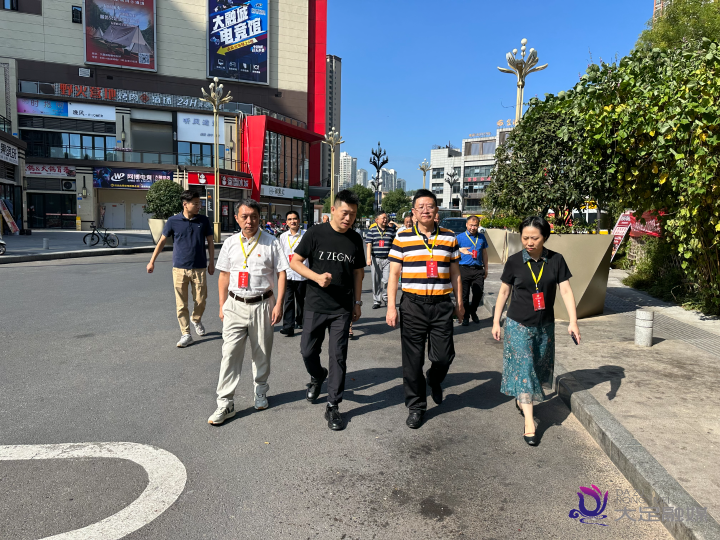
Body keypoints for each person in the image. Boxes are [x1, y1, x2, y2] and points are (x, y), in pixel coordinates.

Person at [491, 216, 580, 446]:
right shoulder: (514, 262)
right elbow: (504, 292)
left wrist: (573, 321)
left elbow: (566, 291)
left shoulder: (556, 260)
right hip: (518, 324)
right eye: (525, 238)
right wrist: (496, 321)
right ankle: (530, 422)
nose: (529, 242)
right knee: (525, 367)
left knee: (538, 368)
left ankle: (522, 398)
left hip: (544, 325)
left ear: (545, 237)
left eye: (535, 238)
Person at [386, 189, 464, 429]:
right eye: (420, 207)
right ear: (413, 212)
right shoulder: (402, 238)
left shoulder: (449, 237)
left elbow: (455, 274)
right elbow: (394, 275)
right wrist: (391, 307)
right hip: (413, 305)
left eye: (429, 206)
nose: (425, 210)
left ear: (436, 210)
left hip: (441, 305)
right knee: (412, 360)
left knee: (443, 356)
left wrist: (460, 304)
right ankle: (416, 406)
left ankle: (434, 378)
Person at [289, 190, 366, 431]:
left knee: (338, 356)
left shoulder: (355, 239)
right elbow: (295, 262)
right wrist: (316, 277)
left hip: (342, 308)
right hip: (315, 304)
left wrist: (357, 303)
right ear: (333, 210)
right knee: (307, 351)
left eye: (353, 214)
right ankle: (317, 375)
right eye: (345, 213)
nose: (348, 218)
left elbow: (358, 273)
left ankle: (333, 404)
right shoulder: (315, 233)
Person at [207, 199, 288, 425]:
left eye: (253, 216)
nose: (249, 221)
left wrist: (279, 304)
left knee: (261, 352)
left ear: (259, 218)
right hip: (234, 305)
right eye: (244, 217)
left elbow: (282, 273)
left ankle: (260, 391)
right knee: (229, 353)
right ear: (236, 218)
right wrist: (222, 305)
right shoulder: (230, 243)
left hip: (263, 304)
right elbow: (224, 275)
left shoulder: (271, 242)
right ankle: (225, 403)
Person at [147, 190, 214, 348]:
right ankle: (186, 334)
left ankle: (196, 319)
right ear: (185, 204)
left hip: (199, 267)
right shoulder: (173, 221)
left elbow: (210, 242)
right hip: (179, 268)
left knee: (201, 300)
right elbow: (162, 241)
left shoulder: (204, 220)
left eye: (199, 203)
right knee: (181, 303)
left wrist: (211, 262)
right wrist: (152, 261)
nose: (199, 206)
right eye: (195, 203)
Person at [279, 210, 307, 338]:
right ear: (286, 222)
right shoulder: (283, 237)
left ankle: (301, 321)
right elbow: (281, 255)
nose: (292, 221)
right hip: (288, 274)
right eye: (290, 219)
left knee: (302, 300)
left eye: (295, 219)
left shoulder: (305, 235)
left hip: (303, 274)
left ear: (299, 220)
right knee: (288, 301)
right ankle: (288, 327)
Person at [457, 216, 489, 326]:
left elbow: (484, 253)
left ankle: (473, 311)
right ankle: (466, 316)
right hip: (463, 269)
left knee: (478, 293)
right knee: (464, 295)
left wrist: (486, 268)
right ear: (466, 225)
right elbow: (453, 252)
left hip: (478, 270)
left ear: (478, 226)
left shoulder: (481, 237)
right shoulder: (459, 237)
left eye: (475, 225)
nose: (473, 227)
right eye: (471, 225)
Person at [365, 211, 397, 309]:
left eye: (386, 218)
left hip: (388, 259)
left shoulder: (391, 231)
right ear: (377, 220)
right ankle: (377, 301)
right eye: (383, 218)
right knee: (376, 281)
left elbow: (395, 244)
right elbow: (369, 245)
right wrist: (368, 258)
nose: (385, 220)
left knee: (387, 280)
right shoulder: (372, 231)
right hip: (376, 259)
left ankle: (386, 298)